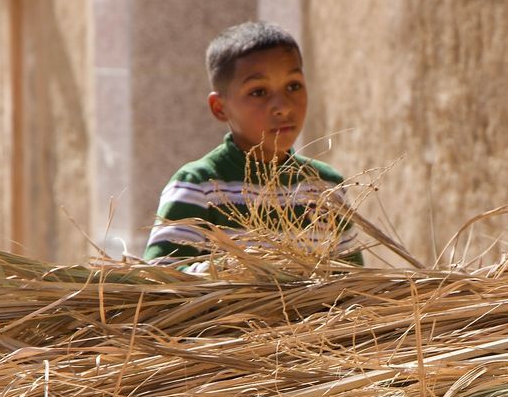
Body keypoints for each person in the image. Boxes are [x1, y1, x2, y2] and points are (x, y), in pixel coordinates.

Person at [144, 21, 361, 265]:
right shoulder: (199, 187)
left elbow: (352, 284)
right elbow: (161, 281)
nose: (283, 107)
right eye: (258, 92)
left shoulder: (326, 188)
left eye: (293, 86)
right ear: (219, 108)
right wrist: (229, 273)